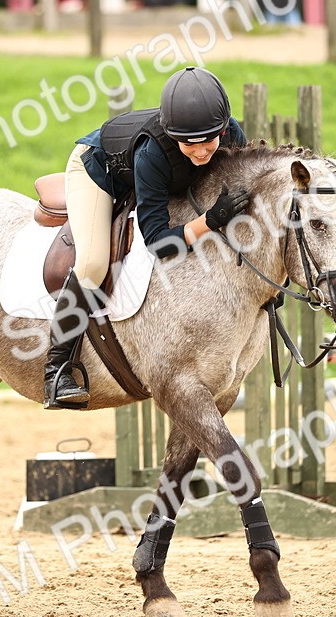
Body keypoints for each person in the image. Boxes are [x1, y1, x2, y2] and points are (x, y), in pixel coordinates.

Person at [44, 66, 250, 410]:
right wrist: (210, 221)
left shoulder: (232, 137)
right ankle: (57, 369)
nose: (201, 153)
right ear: (173, 136)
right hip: (98, 173)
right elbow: (157, 243)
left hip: (164, 178)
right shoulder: (152, 153)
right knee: (93, 263)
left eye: (208, 141)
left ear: (224, 128)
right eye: (189, 144)